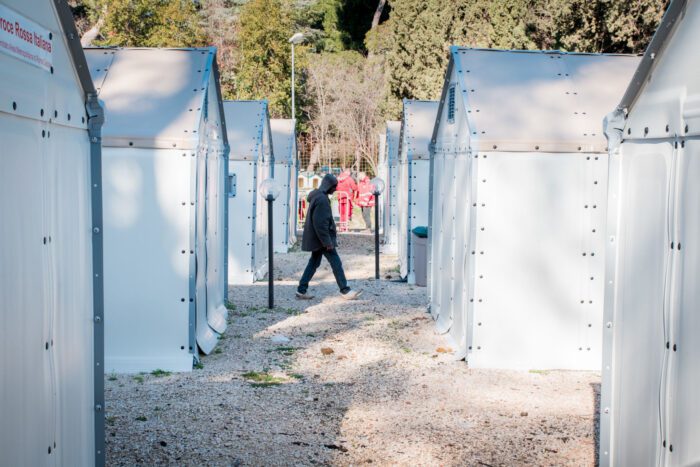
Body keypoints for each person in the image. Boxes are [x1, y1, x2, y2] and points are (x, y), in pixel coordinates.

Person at [296, 174, 362, 300]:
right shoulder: (322, 199)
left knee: (314, 263)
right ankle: (345, 290)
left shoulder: (318, 196)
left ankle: (301, 289)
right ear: (329, 186)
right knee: (336, 262)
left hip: (317, 239)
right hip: (322, 240)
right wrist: (327, 242)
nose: (336, 189)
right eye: (334, 186)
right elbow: (321, 224)